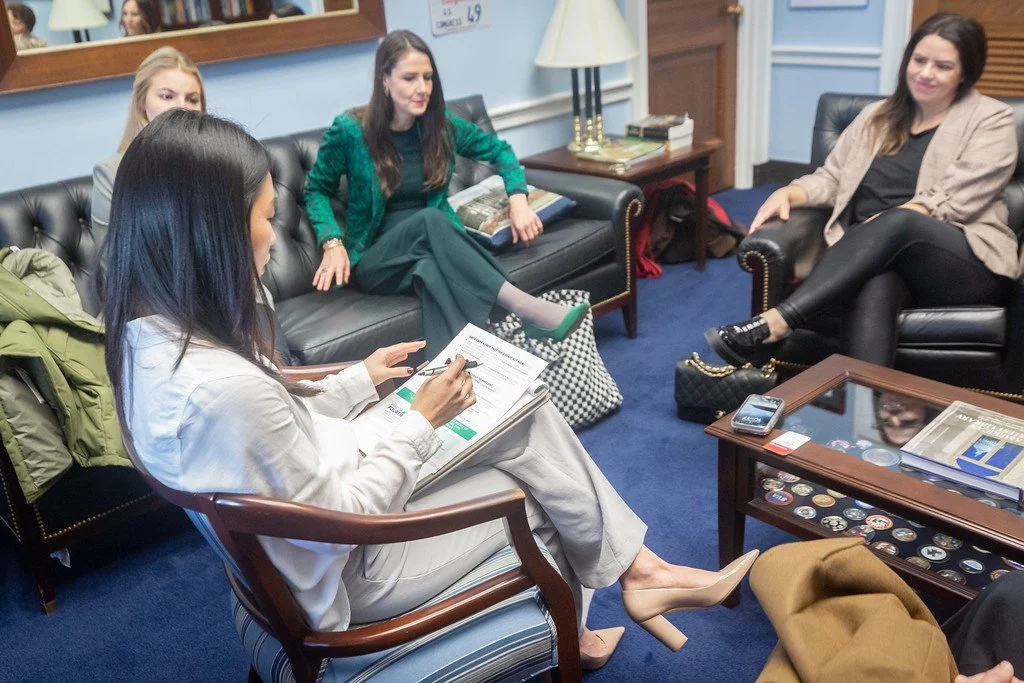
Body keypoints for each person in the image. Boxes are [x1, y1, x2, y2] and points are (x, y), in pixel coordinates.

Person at [103, 109, 761, 671]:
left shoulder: (153, 344)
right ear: (207, 233)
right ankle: (618, 593)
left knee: (522, 418)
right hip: (354, 573)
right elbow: (340, 521)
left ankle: (633, 579)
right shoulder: (225, 394)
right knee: (530, 484)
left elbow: (273, 424)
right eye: (264, 217)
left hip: (307, 515)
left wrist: (358, 380)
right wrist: (418, 422)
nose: (272, 238)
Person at [706, 13, 1019, 369]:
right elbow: (833, 177)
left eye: (943, 66)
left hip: (960, 263)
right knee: (876, 283)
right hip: (875, 256)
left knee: (901, 222)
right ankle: (862, 410)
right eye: (919, 60)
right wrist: (790, 193)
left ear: (965, 72)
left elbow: (956, 199)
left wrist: (885, 224)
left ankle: (778, 321)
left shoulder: (991, 119)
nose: (925, 73)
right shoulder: (876, 117)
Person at [304, 30, 589, 357]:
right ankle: (525, 307)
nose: (422, 88)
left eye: (428, 77)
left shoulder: (441, 126)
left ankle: (454, 376)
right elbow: (315, 190)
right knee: (431, 219)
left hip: (429, 251)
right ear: (384, 79)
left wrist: (519, 200)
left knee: (432, 272)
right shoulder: (350, 130)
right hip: (377, 260)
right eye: (409, 78)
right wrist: (332, 242)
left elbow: (502, 152)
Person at [91, 46, 205, 237]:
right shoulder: (111, 175)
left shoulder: (216, 163)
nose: (182, 108)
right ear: (142, 102)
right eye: (167, 96)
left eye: (192, 99)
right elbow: (115, 263)